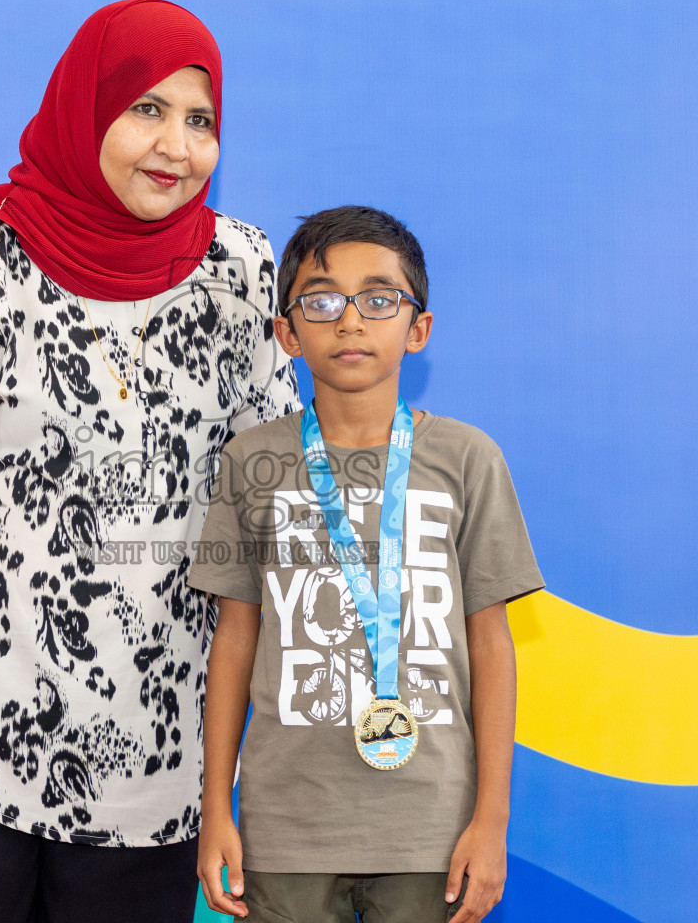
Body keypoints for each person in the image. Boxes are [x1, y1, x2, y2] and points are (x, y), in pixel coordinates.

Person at [0, 0, 299, 923]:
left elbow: (273, 478)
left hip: (160, 759)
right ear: (86, 109)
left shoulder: (239, 268)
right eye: (146, 109)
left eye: (200, 121)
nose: (175, 146)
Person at [189, 206, 546, 922]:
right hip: (285, 828)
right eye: (321, 300)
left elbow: (492, 646)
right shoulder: (252, 460)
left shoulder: (467, 460)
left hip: (431, 832)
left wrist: (491, 822)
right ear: (287, 331)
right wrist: (214, 809)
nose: (349, 320)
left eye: (379, 299)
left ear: (418, 328)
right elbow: (233, 640)